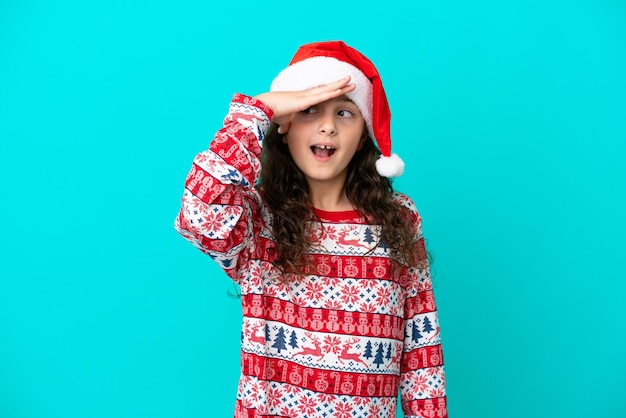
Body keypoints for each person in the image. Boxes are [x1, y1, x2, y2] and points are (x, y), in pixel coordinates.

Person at [174, 41, 447, 418]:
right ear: (284, 126)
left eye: (345, 113)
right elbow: (200, 212)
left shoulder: (399, 219)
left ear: (364, 134)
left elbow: (422, 353)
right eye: (309, 110)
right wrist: (258, 110)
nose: (327, 126)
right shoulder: (258, 219)